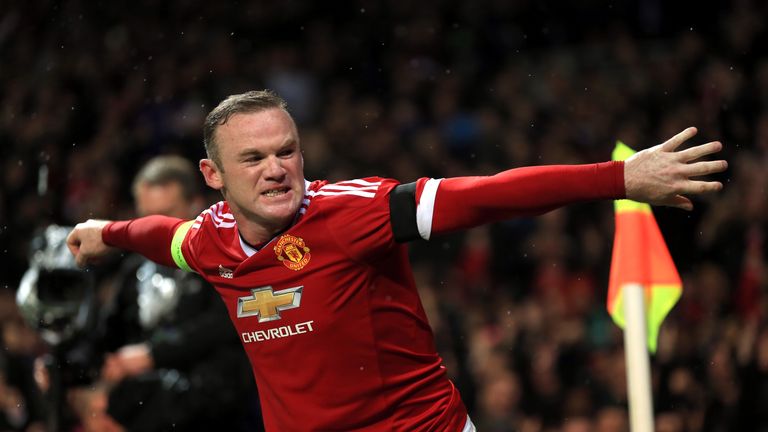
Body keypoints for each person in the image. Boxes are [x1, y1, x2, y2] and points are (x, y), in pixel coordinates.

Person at [66, 90, 727, 431]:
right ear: (212, 174)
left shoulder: (353, 212)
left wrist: (618, 179)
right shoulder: (207, 240)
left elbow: (486, 196)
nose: (277, 169)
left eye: (287, 150)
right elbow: (163, 235)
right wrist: (108, 231)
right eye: (254, 158)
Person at [67, 156, 260, 432]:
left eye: (167, 214)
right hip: (148, 412)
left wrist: (153, 354)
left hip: (217, 415)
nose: (155, 227)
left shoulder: (228, 259)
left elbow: (226, 325)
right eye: (147, 217)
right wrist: (65, 367)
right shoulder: (135, 269)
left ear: (195, 205)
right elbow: (106, 335)